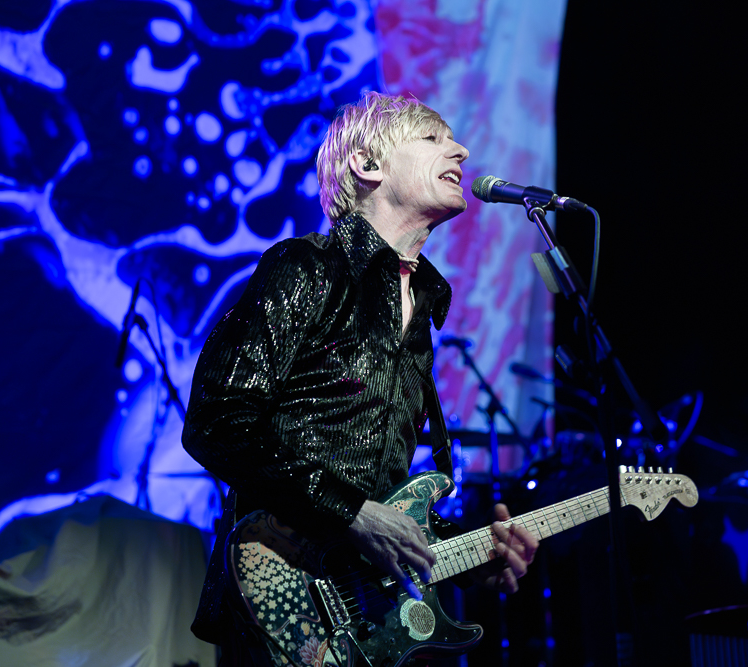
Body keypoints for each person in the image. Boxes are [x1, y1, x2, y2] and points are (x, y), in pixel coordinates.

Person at [182, 92, 538, 665]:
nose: (461, 151)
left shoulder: (422, 312)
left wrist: (473, 561)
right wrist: (349, 511)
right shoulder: (306, 269)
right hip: (280, 606)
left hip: (366, 628)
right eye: (433, 138)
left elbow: (388, 503)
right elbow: (217, 423)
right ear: (368, 164)